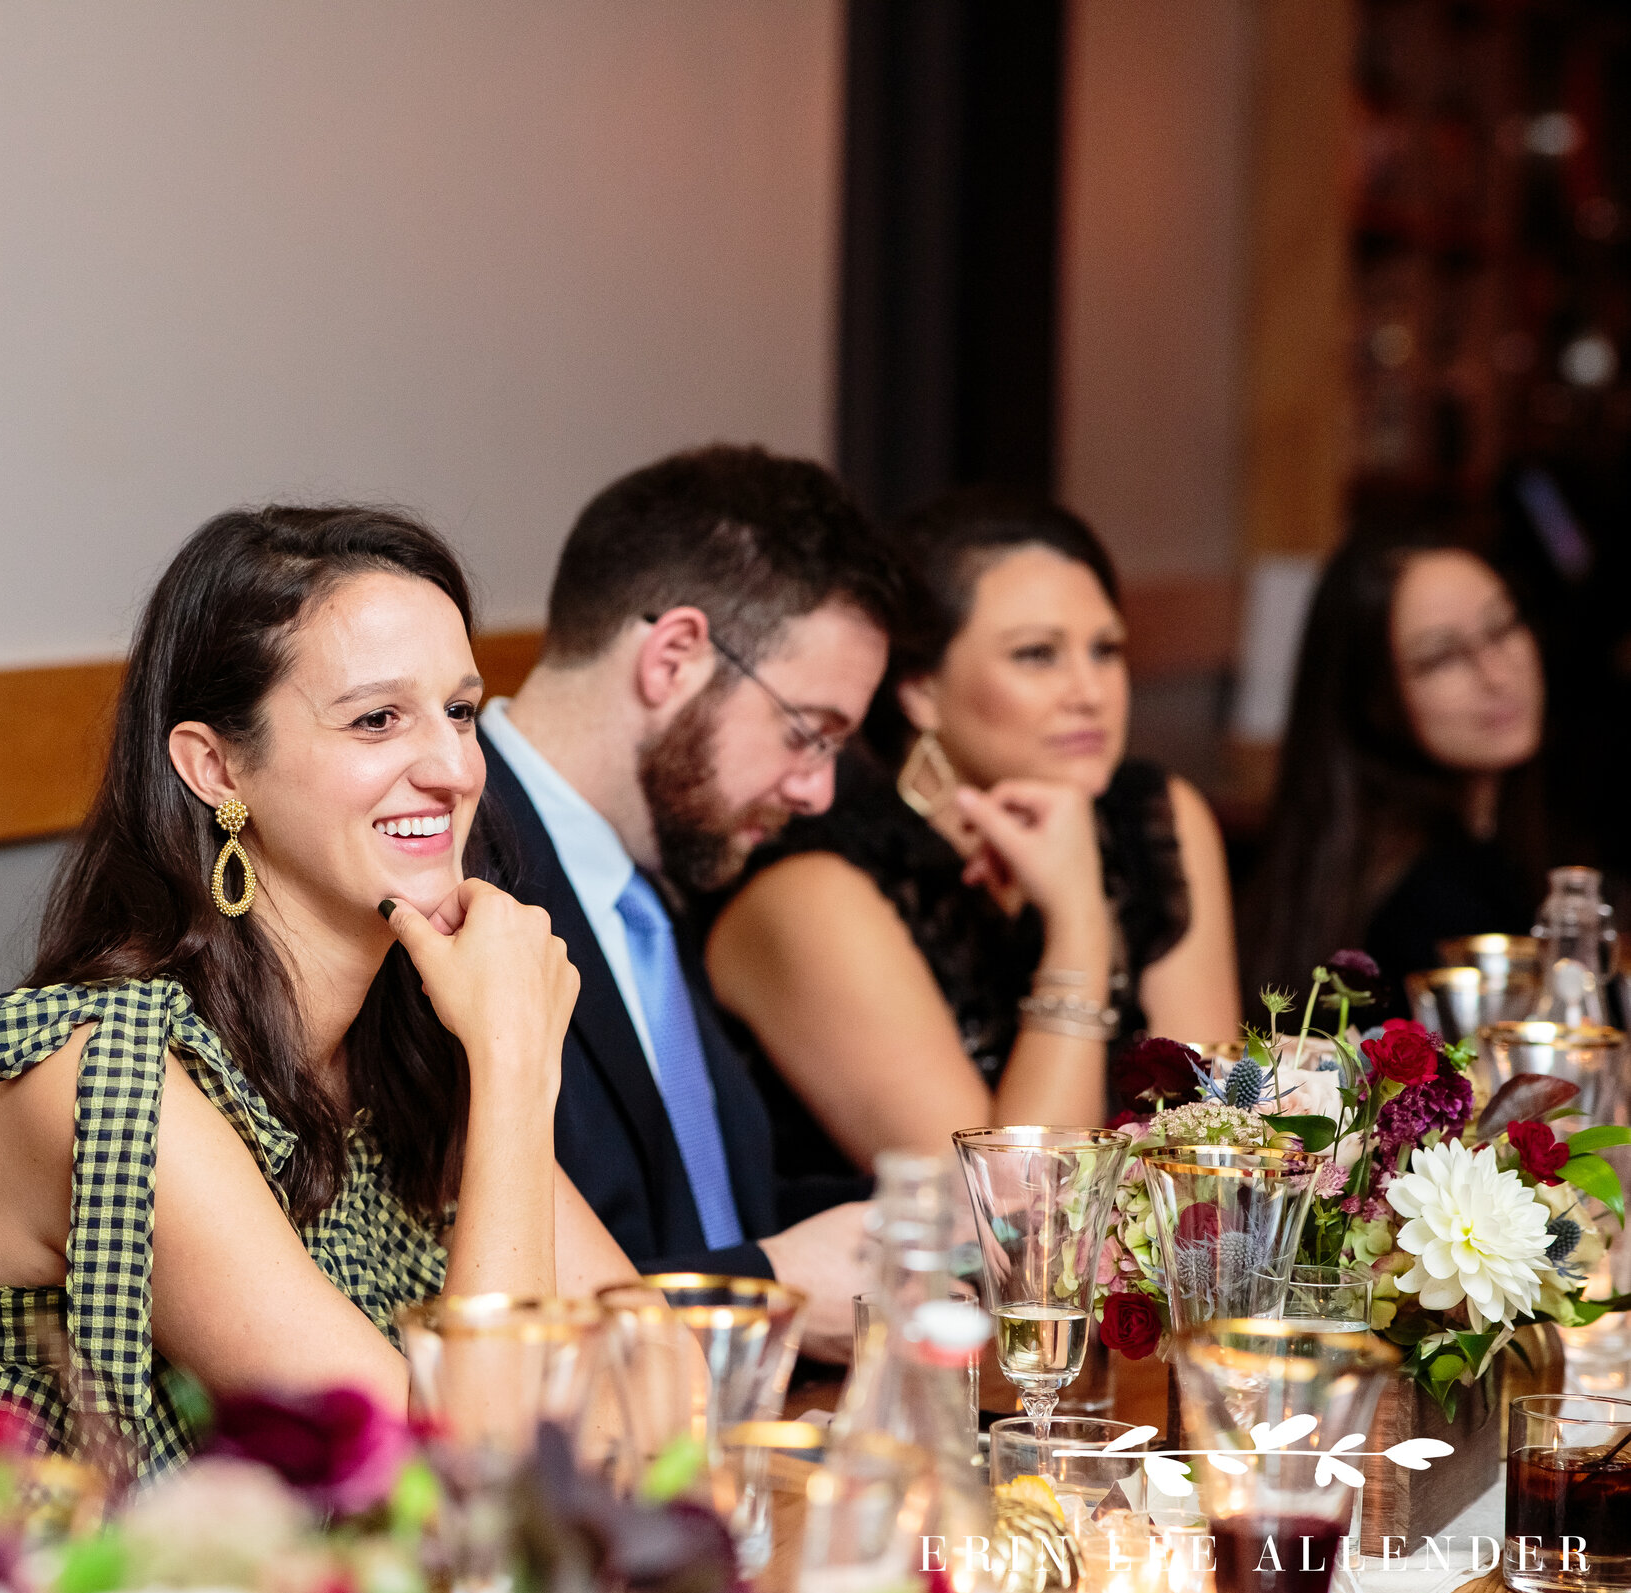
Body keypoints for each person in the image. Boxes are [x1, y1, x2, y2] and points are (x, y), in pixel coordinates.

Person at [0, 506, 636, 1476]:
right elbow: (456, 1493)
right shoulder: (109, 1079)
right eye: (375, 718)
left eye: (459, 710)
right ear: (216, 766)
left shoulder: (405, 1029)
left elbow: (659, 1380)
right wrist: (517, 1062)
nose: (454, 768)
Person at [482, 445, 905, 1347]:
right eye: (807, 733)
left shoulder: (646, 874)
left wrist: (917, 1226)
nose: (817, 791)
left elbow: (700, 1205)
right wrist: (768, 1285)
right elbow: (489, 1284)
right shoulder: (463, 872)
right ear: (673, 658)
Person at [703, 492, 1238, 1174]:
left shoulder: (1152, 815)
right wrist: (1078, 922)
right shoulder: (813, 889)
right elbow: (1014, 1210)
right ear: (921, 690)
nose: (1090, 690)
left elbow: (1210, 1150)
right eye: (1038, 654)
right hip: (892, 1276)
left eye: (1106, 650)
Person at [1243, 528, 1546, 1014]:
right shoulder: (1429, 901)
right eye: (1442, 657)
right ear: (1373, 700)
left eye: (1503, 626)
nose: (1498, 674)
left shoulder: (1495, 844)